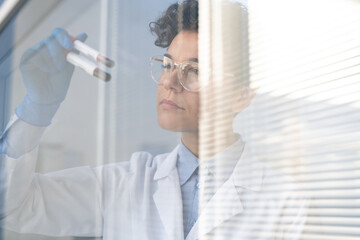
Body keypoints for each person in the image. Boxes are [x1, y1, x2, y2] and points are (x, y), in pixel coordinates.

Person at [0, 1, 307, 239]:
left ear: (241, 95)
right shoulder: (123, 185)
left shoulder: (286, 203)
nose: (169, 82)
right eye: (168, 64)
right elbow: (12, 208)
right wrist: (36, 110)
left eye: (195, 71)